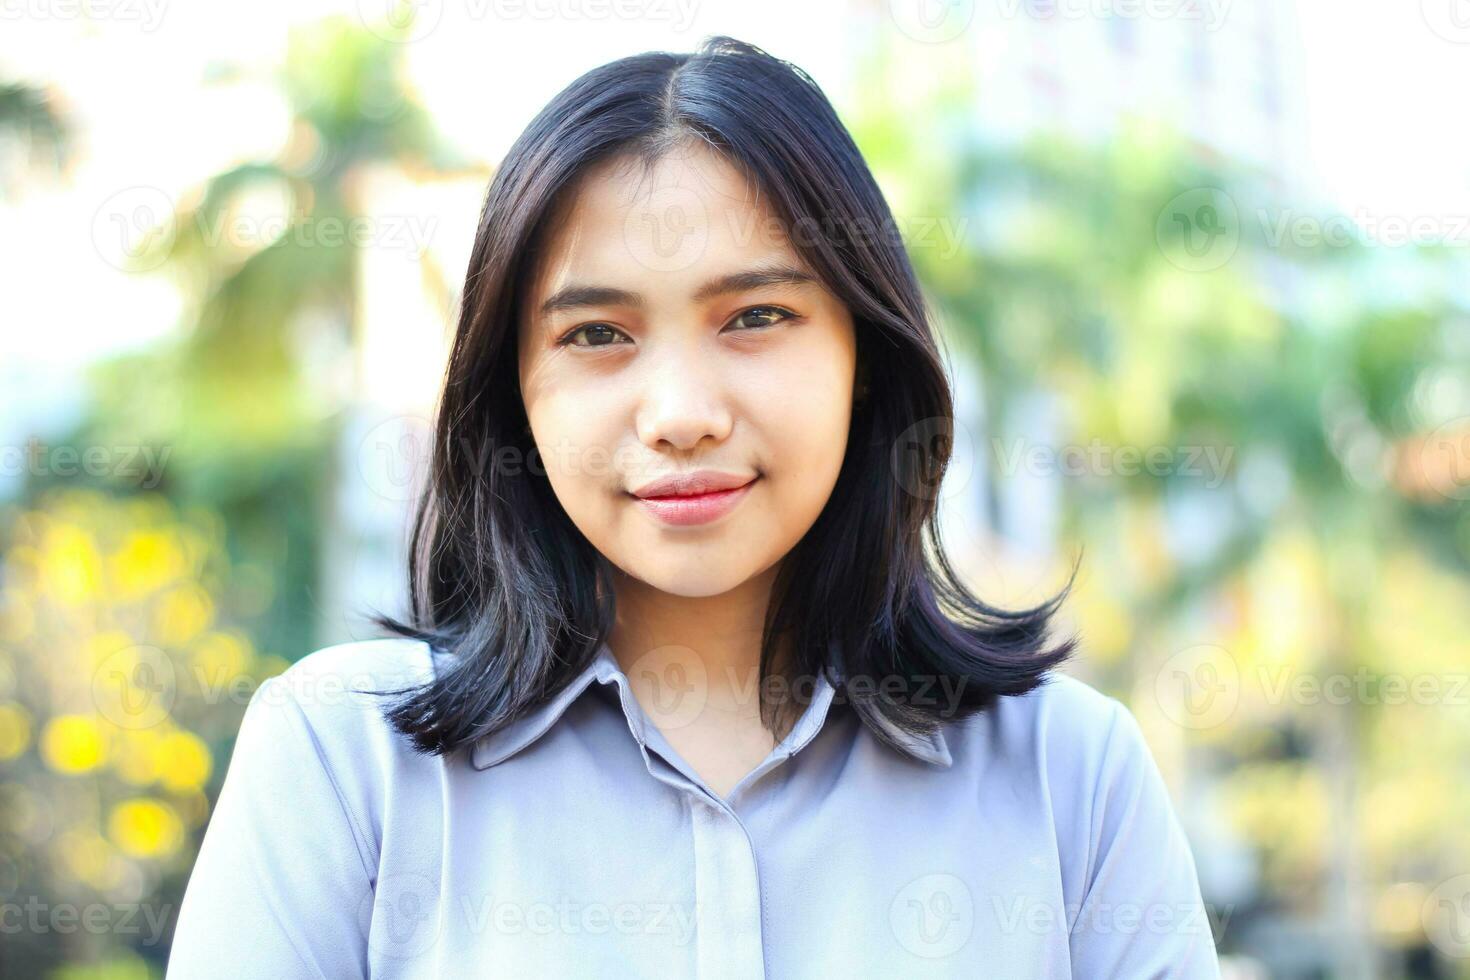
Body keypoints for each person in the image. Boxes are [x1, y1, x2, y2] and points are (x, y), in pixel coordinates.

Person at [167, 35, 1220, 979]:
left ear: (866, 356)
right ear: (513, 393)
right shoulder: (341, 759)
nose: (679, 414)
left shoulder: (1070, 776)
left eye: (756, 315)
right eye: (596, 334)